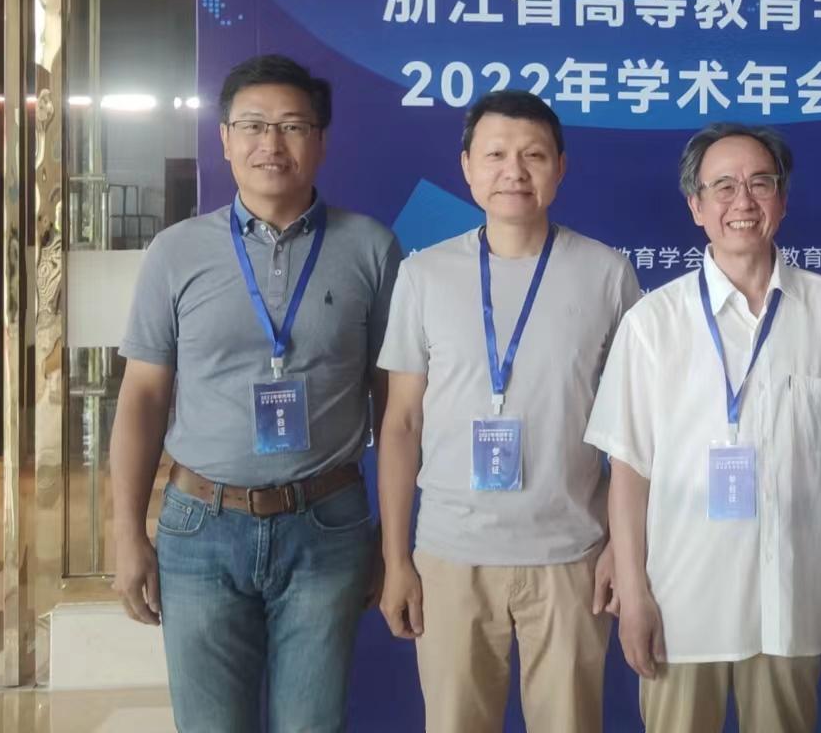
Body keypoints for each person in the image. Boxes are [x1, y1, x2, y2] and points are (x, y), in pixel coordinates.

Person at [110, 54, 402, 733]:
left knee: (312, 724)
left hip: (327, 526)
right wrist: (126, 532)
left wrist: (392, 542)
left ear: (321, 141)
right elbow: (142, 399)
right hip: (199, 526)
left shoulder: (370, 248)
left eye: (293, 126)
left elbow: (395, 408)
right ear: (224, 138)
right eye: (253, 125)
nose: (272, 143)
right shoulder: (175, 252)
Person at [585, 123, 821, 733]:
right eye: (723, 187)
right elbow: (628, 471)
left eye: (760, 184)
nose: (743, 201)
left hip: (790, 599)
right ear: (696, 206)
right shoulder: (652, 322)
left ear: (782, 200)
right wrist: (633, 593)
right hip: (681, 605)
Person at [374, 90, 642, 733]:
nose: (513, 172)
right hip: (451, 558)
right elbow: (402, 423)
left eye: (533, 156)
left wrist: (620, 548)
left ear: (560, 167)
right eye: (495, 155)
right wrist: (397, 559)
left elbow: (637, 429)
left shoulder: (607, 273)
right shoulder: (423, 275)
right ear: (467, 166)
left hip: (572, 556)